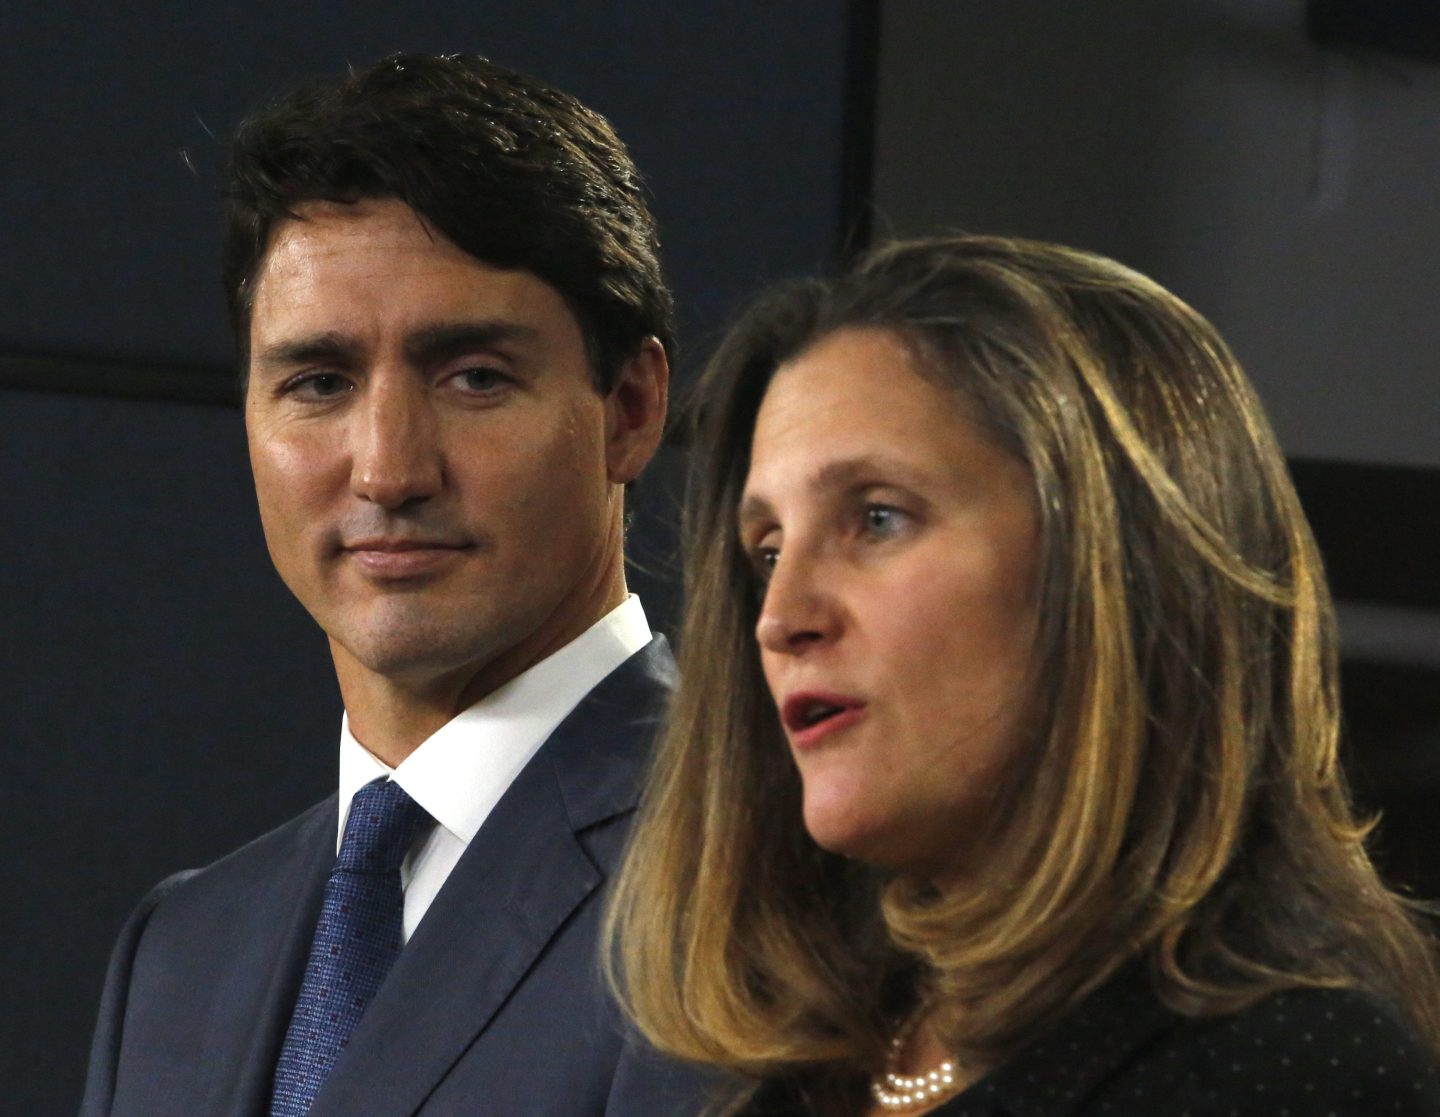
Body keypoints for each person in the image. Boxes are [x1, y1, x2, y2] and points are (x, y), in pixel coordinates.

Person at [606, 235, 1440, 1115]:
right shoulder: (808, 1071)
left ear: (1115, 565)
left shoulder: (1287, 1076)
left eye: (878, 517)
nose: (780, 618)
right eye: (768, 552)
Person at [81, 53, 709, 1117]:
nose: (386, 469)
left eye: (473, 377)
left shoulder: (761, 875)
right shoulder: (179, 952)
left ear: (633, 409)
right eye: (317, 383)